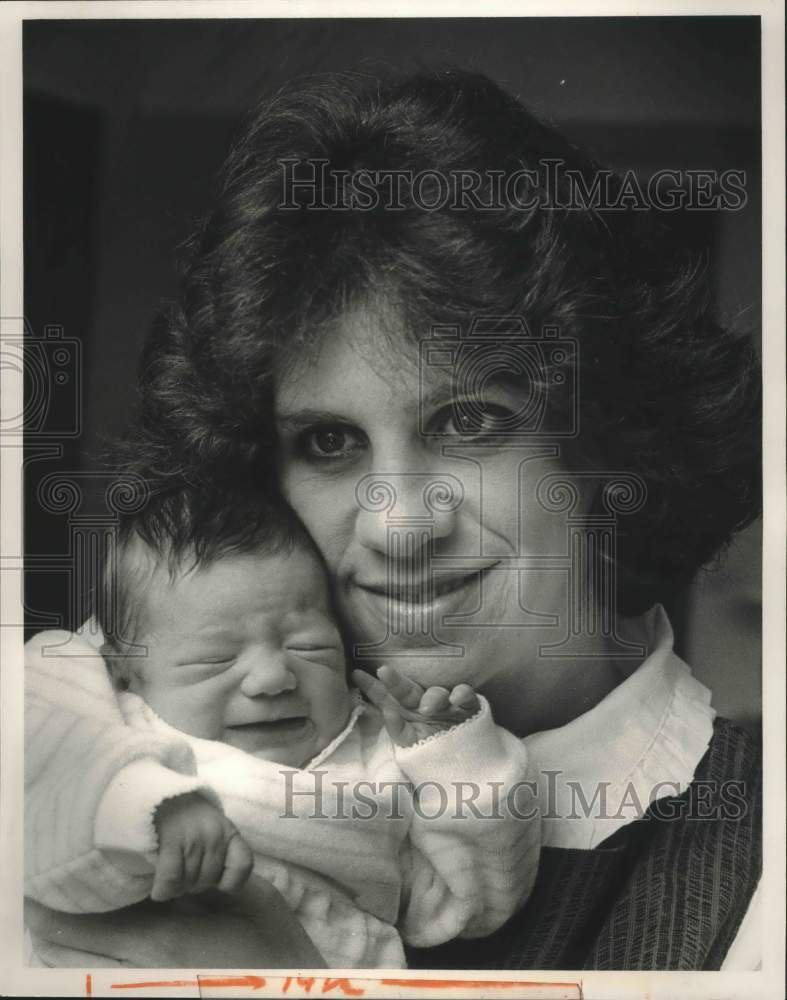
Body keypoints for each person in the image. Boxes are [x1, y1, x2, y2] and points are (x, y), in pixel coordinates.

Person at [25, 68, 762, 971]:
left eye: (469, 422)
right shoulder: (115, 720)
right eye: (330, 441)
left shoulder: (759, 859)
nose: (399, 527)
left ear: (609, 449)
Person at [25, 481, 540, 967]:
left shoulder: (381, 761)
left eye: (309, 647)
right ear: (123, 671)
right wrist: (142, 801)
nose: (273, 678)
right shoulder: (108, 714)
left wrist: (454, 759)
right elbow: (35, 754)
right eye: (215, 659)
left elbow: (469, 908)